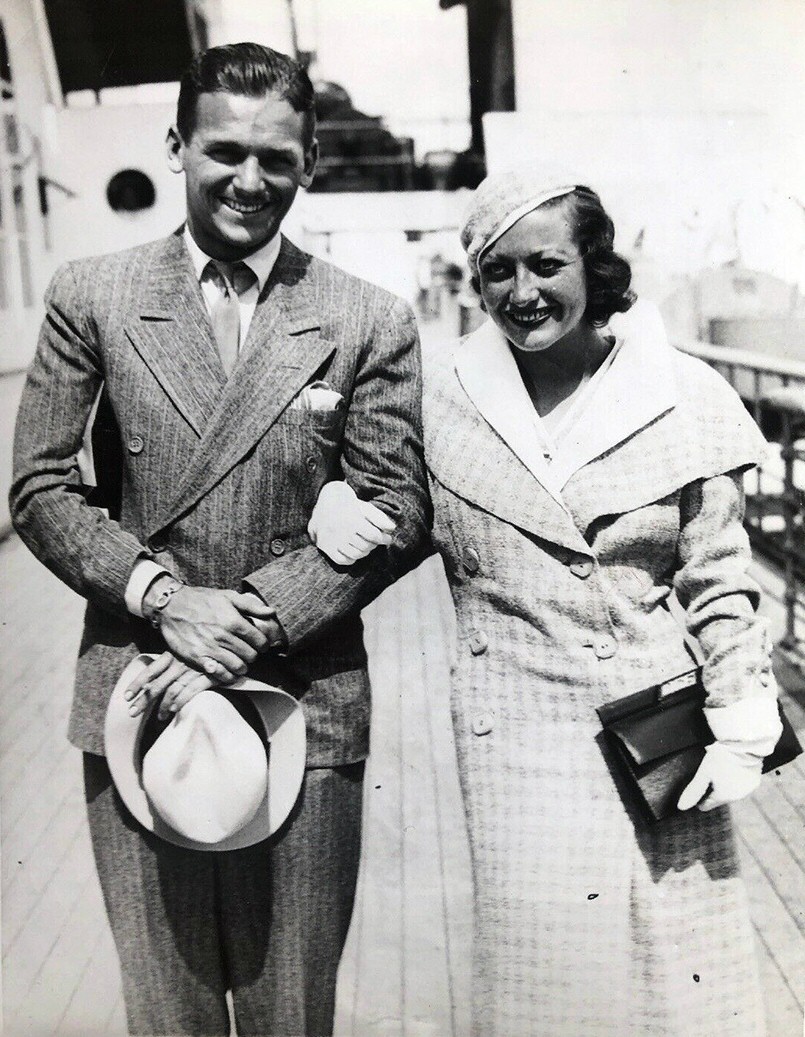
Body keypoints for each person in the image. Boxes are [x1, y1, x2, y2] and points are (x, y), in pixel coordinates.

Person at [10, 42, 429, 1037]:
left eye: (277, 158)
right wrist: (163, 597)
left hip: (303, 699)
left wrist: (248, 619)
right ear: (178, 146)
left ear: (310, 161)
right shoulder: (95, 295)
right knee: (170, 1007)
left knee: (292, 1008)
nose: (250, 179)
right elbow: (36, 484)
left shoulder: (366, 318)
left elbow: (400, 505)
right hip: (137, 687)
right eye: (224, 151)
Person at [308, 170, 782, 1036]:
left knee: (676, 983)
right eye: (497, 271)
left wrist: (744, 707)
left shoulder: (681, 392)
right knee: (546, 990)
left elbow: (717, 574)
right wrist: (346, 502)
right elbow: (401, 513)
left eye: (546, 265)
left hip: (656, 732)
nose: (522, 293)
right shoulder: (442, 398)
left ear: (592, 267)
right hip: (513, 733)